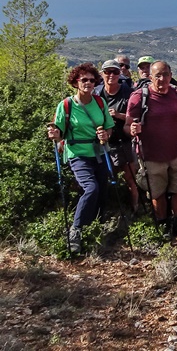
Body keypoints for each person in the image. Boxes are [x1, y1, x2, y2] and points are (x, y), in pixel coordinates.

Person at [125, 61, 177, 237]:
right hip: (150, 154)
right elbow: (127, 125)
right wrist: (132, 129)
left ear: (171, 75)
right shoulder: (140, 96)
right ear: (150, 77)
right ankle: (163, 226)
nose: (162, 79)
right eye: (158, 75)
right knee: (157, 193)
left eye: (165, 75)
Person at [48, 63, 115, 254]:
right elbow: (59, 133)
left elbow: (109, 127)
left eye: (91, 80)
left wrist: (106, 135)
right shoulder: (66, 105)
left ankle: (97, 228)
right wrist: (54, 134)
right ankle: (75, 230)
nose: (88, 83)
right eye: (83, 79)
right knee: (91, 188)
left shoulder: (100, 103)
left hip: (100, 153)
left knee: (102, 191)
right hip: (77, 154)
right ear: (76, 82)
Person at [94, 59, 139, 213]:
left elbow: (136, 117)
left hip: (124, 141)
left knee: (130, 178)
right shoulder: (96, 93)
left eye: (115, 72)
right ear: (102, 74)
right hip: (102, 143)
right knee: (103, 178)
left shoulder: (128, 92)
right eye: (107, 72)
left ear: (120, 73)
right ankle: (105, 209)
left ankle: (136, 208)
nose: (111, 75)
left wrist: (118, 115)